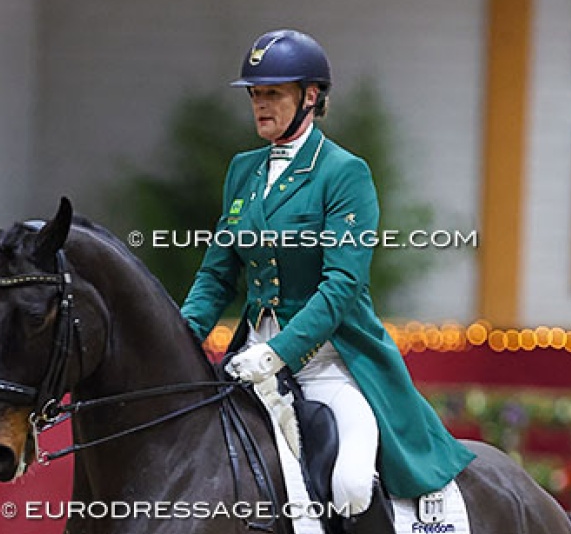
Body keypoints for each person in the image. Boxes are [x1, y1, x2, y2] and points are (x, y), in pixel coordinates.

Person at [180, 28, 475, 533]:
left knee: (351, 483)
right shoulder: (243, 171)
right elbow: (216, 274)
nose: (260, 104)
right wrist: (178, 339)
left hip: (329, 366)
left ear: (310, 97)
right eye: (255, 94)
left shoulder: (343, 173)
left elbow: (341, 285)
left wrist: (279, 352)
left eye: (272, 92)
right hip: (247, 362)